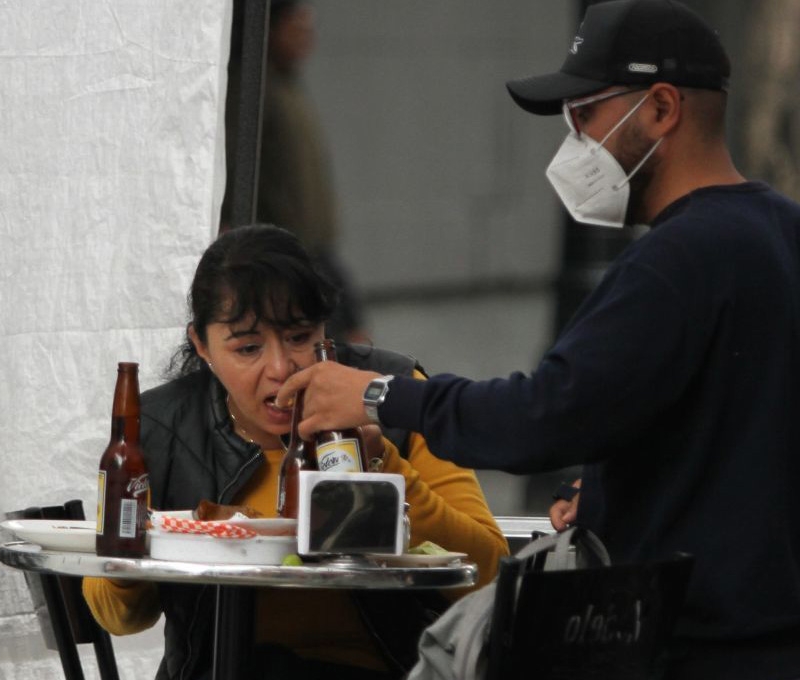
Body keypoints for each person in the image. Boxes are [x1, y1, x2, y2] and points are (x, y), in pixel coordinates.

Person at [276, 1, 800, 677]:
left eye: (586, 114)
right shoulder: (781, 234)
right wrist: (616, 490)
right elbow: (723, 424)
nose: (573, 139)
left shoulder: (677, 260)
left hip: (692, 645)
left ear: (662, 108)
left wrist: (382, 396)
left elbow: (542, 417)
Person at [82, 225, 507, 680]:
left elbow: (488, 579)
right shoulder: (161, 425)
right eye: (248, 348)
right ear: (202, 345)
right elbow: (118, 618)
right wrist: (130, 555)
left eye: (300, 337)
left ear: (326, 330)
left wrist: (384, 467)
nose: (282, 368)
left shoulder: (391, 395)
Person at [254, 0, 368, 344]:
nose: (308, 38)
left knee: (354, 344)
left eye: (310, 28)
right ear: (272, 30)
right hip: (283, 256)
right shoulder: (259, 92)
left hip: (318, 250)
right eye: (297, 28)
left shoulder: (290, 87)